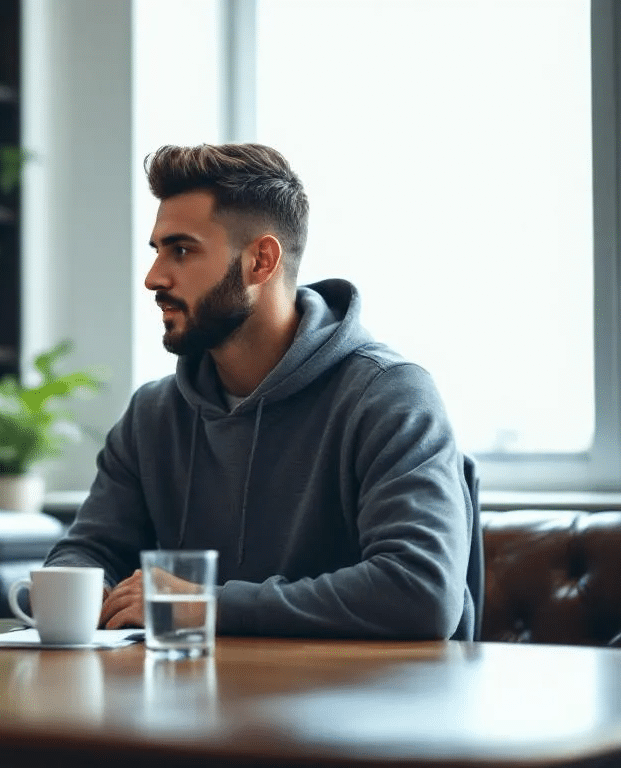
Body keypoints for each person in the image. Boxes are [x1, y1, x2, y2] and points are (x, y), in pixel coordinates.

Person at [44, 142, 477, 640]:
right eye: (157, 251)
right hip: (196, 707)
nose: (153, 277)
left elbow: (422, 593)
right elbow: (89, 549)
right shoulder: (153, 415)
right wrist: (84, 590)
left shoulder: (389, 395)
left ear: (260, 261)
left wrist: (201, 607)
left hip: (361, 711)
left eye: (181, 250)